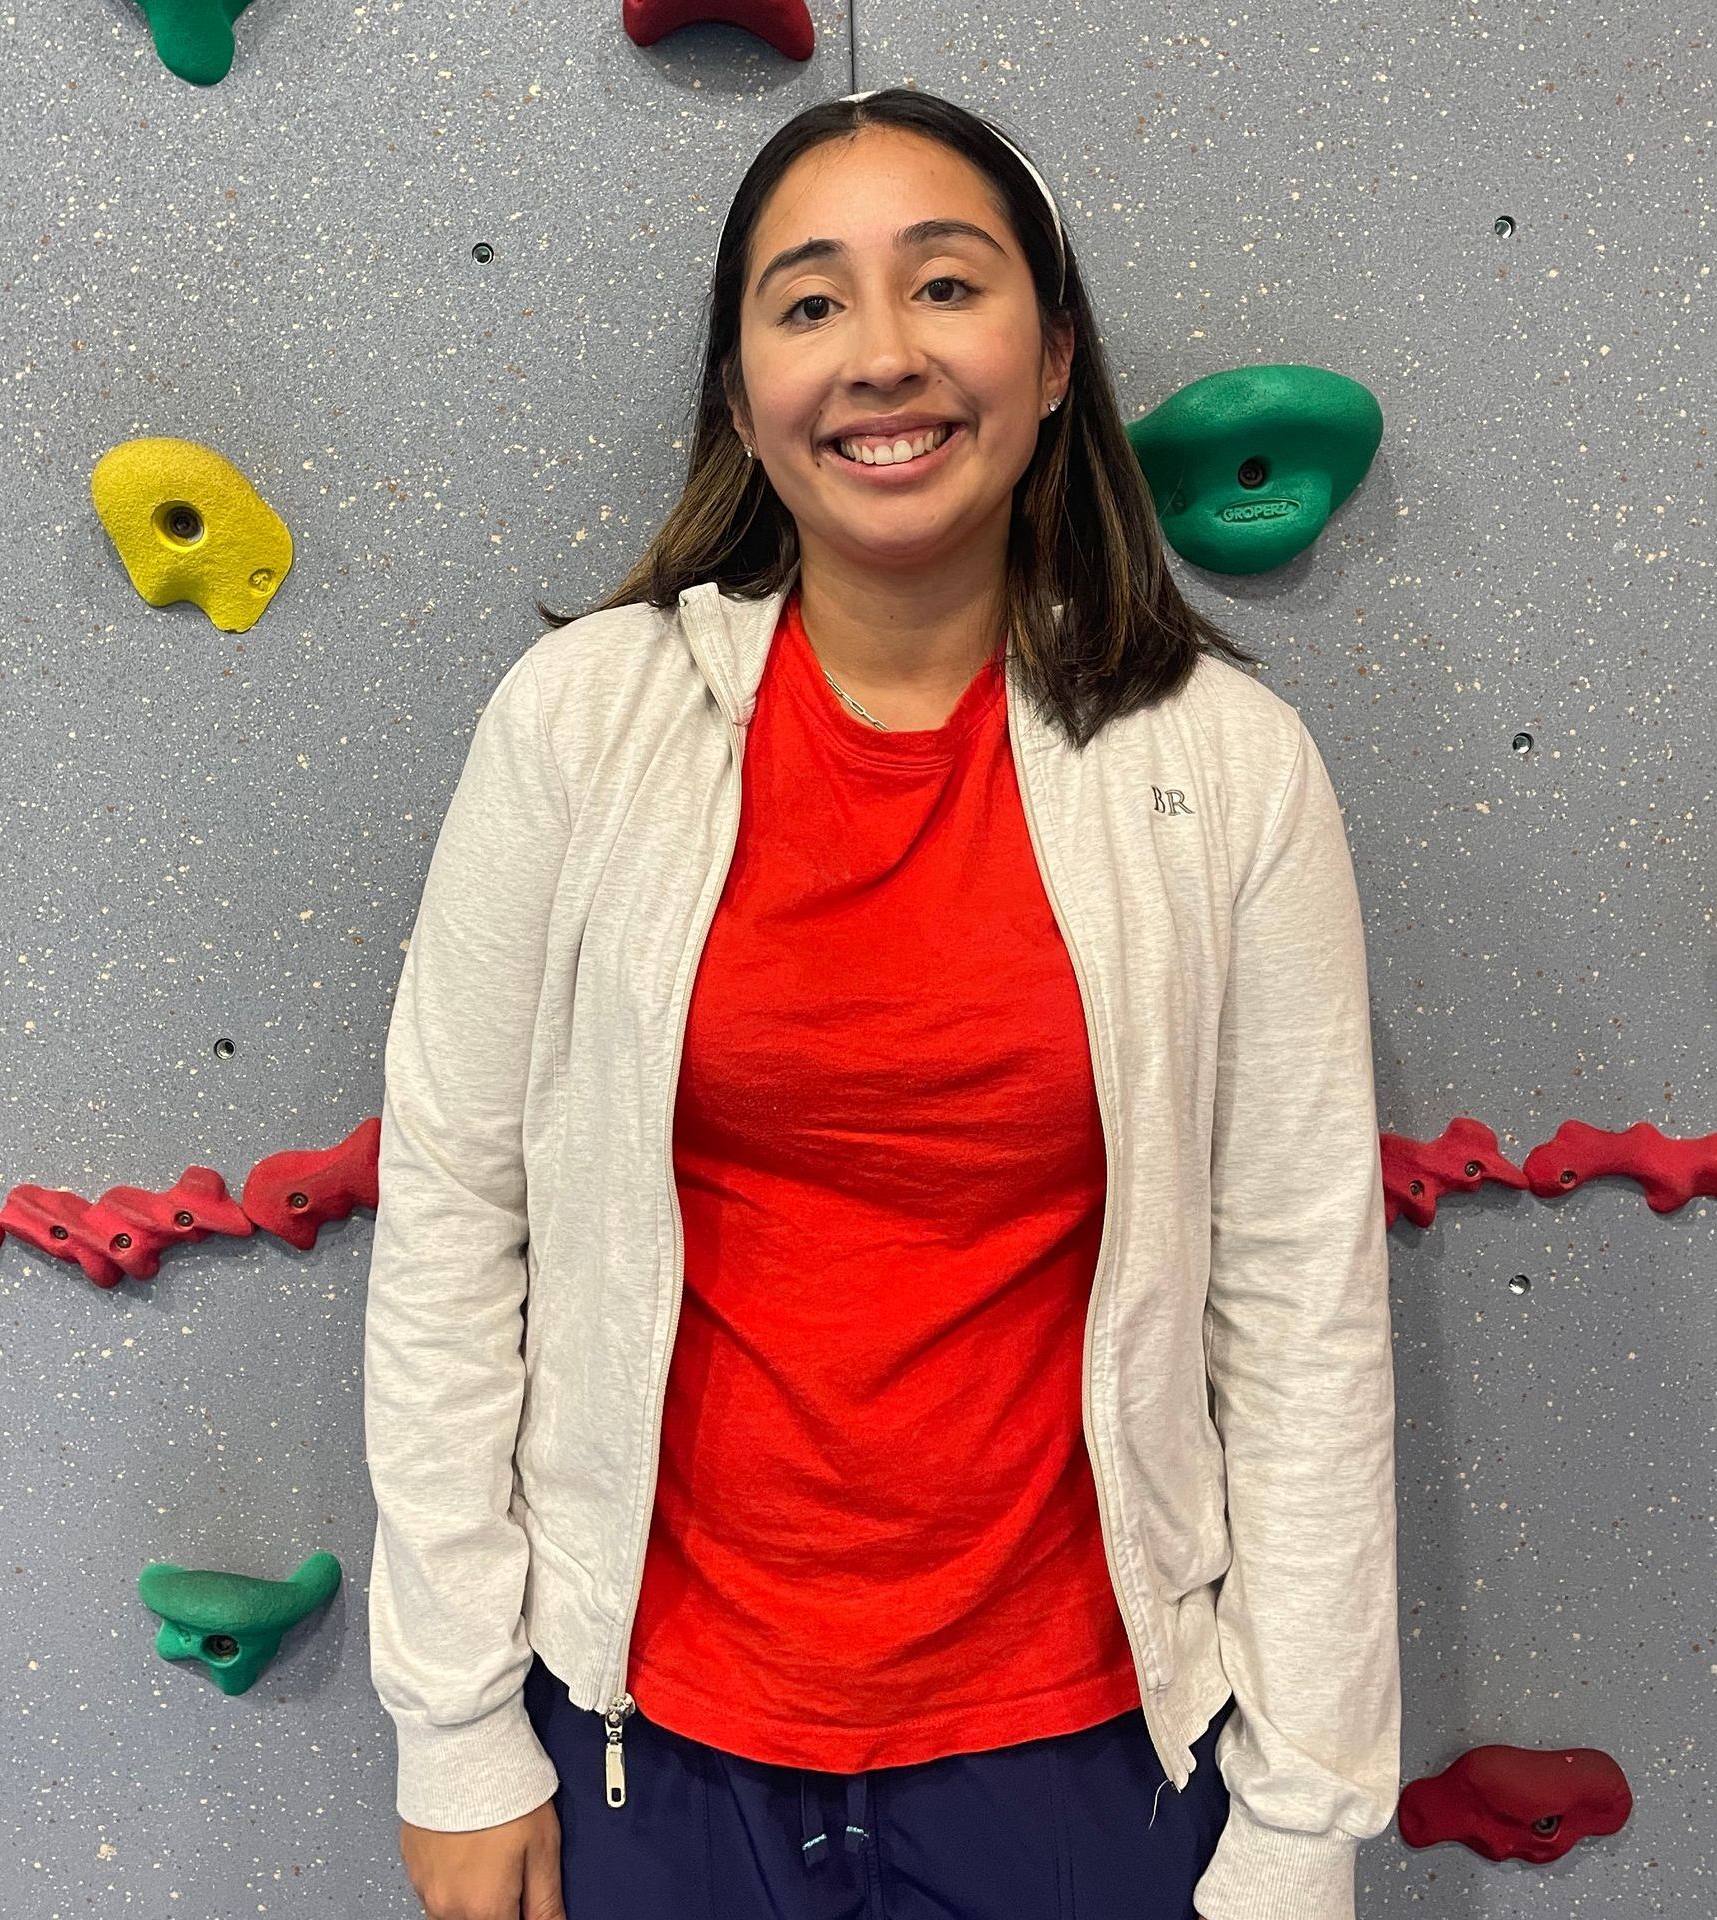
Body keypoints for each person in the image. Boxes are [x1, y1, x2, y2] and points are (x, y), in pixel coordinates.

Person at [364, 85, 1400, 1920]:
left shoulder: (1228, 767)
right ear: (742, 389)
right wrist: (454, 1729)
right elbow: (457, 1216)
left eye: (946, 283)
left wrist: (1306, 1821)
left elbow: (1301, 1308)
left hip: (1089, 1753)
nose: (882, 356)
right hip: (646, 1739)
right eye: (810, 302)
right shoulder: (582, 726)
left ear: (1054, 356)